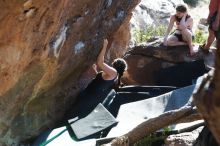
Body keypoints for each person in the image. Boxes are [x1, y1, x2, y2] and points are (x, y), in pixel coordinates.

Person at [69, 39, 127, 118]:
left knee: (72, 115)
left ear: (116, 64)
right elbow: (102, 82)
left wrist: (105, 46)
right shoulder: (113, 75)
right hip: (89, 96)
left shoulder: (113, 72)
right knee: (74, 115)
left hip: (89, 97)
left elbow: (100, 62)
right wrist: (95, 70)